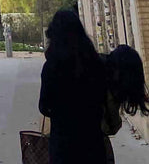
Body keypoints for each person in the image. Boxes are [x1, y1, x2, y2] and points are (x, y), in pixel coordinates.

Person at [38, 9, 107, 164]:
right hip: (92, 139)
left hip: (63, 143)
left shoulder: (51, 67)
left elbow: (44, 105)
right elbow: (102, 96)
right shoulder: (95, 64)